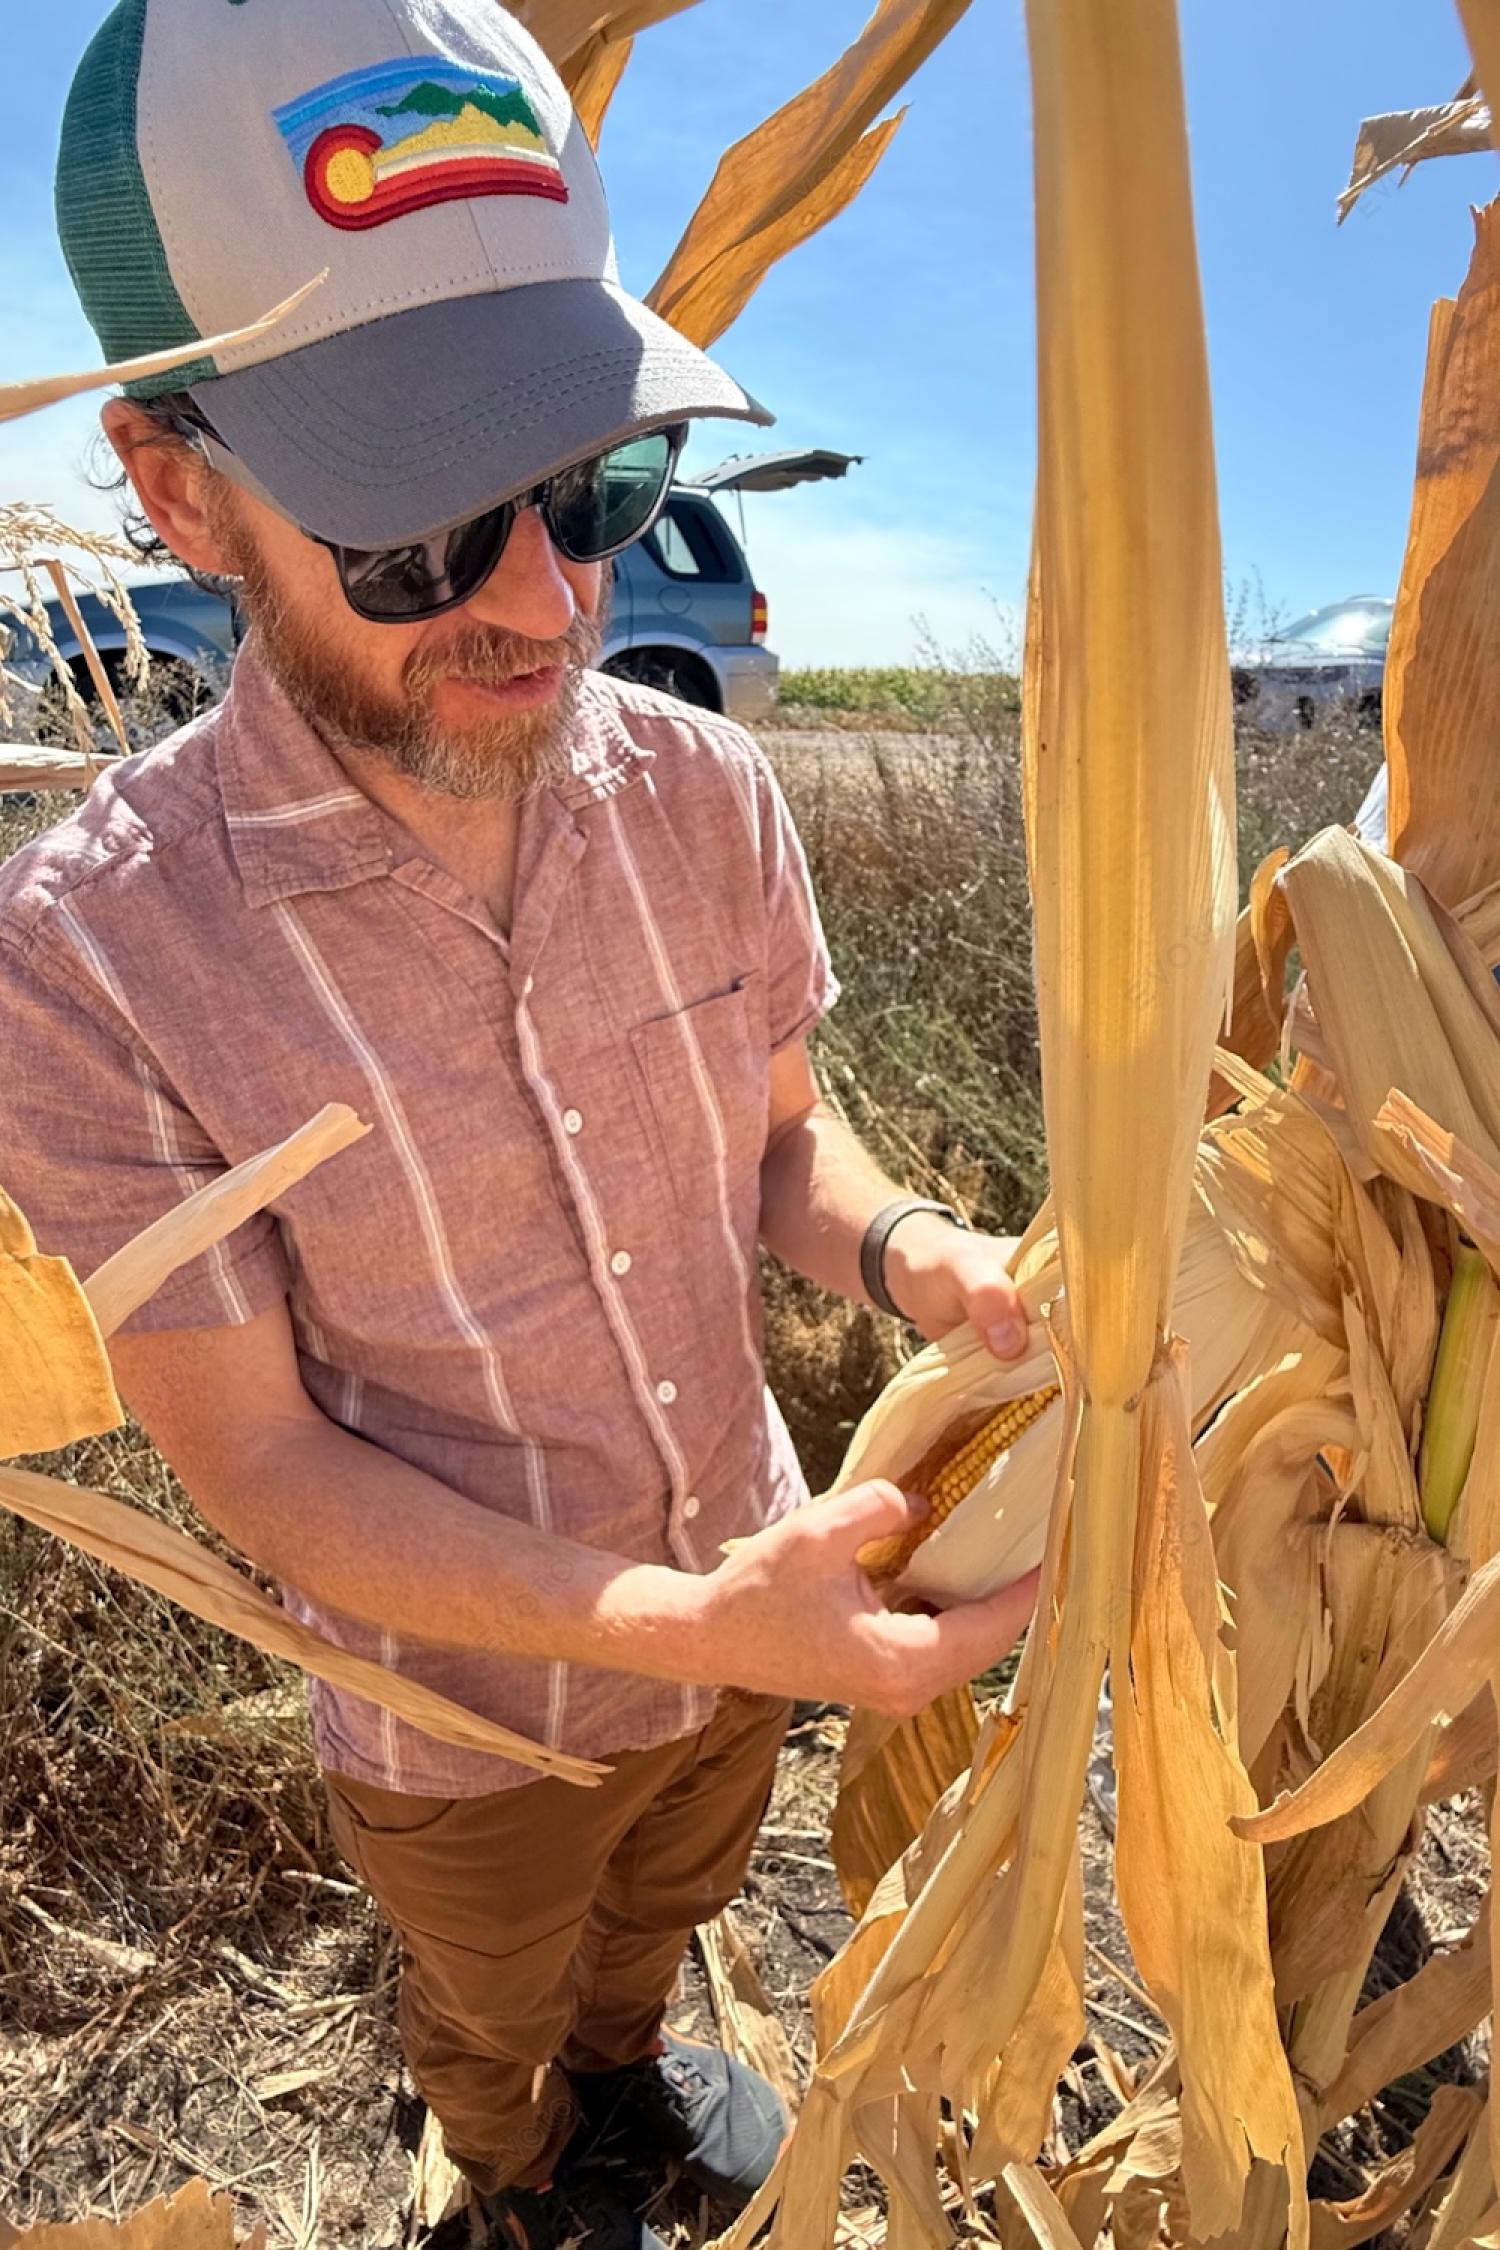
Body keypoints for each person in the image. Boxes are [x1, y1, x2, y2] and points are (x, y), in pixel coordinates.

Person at [0, 2, 1039, 2242]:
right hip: (459, 1716)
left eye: (592, 487)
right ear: (180, 491)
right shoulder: (89, 956)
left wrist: (913, 1251)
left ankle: (632, 2074)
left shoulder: (711, 792)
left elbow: (783, 1143)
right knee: (485, 1986)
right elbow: (258, 1466)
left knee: (655, 1923)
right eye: (421, 531)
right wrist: (685, 1619)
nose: (547, 600)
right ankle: (511, 2164)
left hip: (753, 1604)